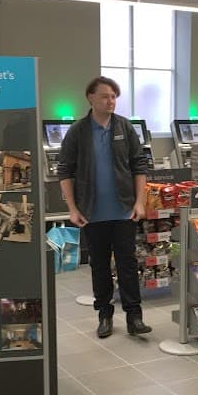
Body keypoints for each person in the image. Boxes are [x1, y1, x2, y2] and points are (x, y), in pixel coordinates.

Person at [56, 76, 154, 338]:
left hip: (124, 210)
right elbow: (64, 170)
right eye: (104, 96)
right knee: (99, 266)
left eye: (113, 96)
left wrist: (140, 201)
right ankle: (104, 315)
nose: (110, 101)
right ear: (90, 97)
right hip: (92, 213)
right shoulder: (78, 132)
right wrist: (73, 208)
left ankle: (135, 316)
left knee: (128, 264)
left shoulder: (124, 127)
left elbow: (139, 166)